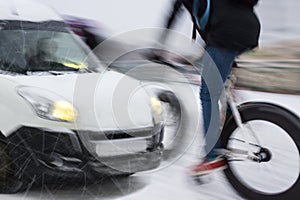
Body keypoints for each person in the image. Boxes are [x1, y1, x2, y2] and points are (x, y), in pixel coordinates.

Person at [156, 0, 260, 176]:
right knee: (220, 81)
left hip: (224, 35)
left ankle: (212, 155)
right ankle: (228, 121)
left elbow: (174, 14)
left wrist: (159, 46)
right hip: (249, 32)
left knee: (207, 95)